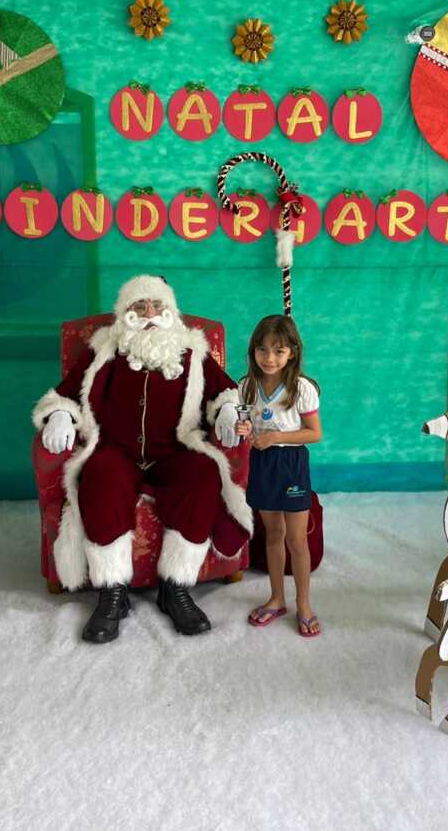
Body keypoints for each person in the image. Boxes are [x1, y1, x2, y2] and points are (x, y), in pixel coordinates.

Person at [33, 275, 251, 643]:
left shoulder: (193, 353)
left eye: (156, 305)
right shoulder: (104, 351)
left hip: (174, 452)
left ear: (170, 312)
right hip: (116, 452)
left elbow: (226, 391)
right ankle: (112, 594)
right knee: (101, 472)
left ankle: (175, 587)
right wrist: (58, 415)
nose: (149, 313)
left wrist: (229, 411)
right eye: (139, 306)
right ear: (126, 313)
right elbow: (66, 394)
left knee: (202, 471)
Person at [235, 315, 323, 637]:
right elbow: (249, 429)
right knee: (273, 534)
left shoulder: (302, 388)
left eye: (278, 350)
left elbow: (314, 433)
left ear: (292, 353)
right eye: (262, 349)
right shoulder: (246, 386)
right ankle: (276, 599)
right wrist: (245, 430)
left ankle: (304, 605)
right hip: (261, 464)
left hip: (291, 464)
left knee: (296, 539)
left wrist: (277, 437)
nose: (269, 358)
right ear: (253, 351)